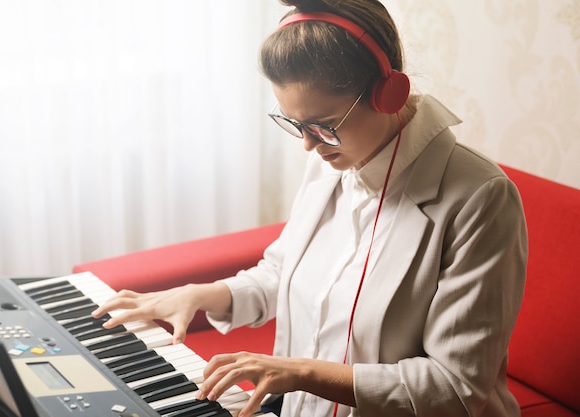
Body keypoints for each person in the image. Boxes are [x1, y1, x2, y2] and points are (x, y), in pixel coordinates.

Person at [92, 0, 528, 416]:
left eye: (323, 125)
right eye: (295, 124)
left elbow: (454, 389)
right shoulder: (334, 155)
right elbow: (284, 273)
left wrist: (299, 372)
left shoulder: (480, 198)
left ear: (388, 94)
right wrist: (199, 296)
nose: (308, 144)